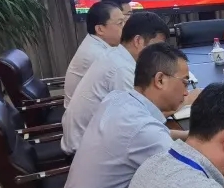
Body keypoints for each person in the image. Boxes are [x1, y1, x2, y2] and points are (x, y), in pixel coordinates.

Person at [61, 43, 190, 188]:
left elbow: (150, 135)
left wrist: (188, 136)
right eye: (185, 82)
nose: (187, 92)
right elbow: (189, 181)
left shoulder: (119, 99)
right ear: (160, 80)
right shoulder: (143, 131)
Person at [61, 11, 171, 154]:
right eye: (156, 47)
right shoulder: (120, 69)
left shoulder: (116, 55)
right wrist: (181, 103)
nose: (159, 53)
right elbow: (143, 121)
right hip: (84, 151)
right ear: (138, 41)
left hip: (91, 139)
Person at [63, 1, 124, 107]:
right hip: (88, 115)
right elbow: (124, 92)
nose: (125, 27)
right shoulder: (99, 55)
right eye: (120, 23)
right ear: (100, 29)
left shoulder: (94, 41)